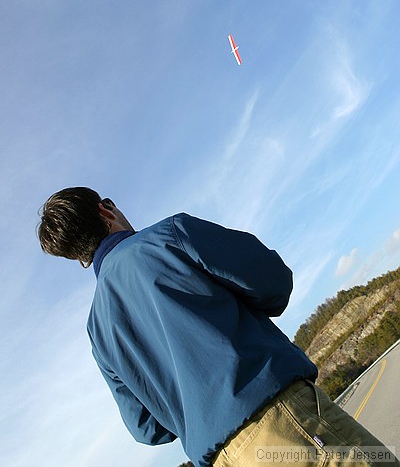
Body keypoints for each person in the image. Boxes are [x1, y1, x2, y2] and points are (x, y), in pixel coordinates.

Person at [38, 187, 398, 467]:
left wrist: (192, 408)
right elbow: (271, 279)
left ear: (77, 256)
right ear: (106, 210)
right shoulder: (169, 236)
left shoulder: (97, 332)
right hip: (281, 424)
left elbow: (145, 427)